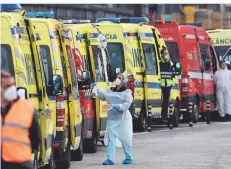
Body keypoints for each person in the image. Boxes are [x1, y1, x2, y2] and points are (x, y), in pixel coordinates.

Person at [1, 70, 41, 169]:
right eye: (7, 86)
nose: (11, 89)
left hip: (21, 163)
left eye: (12, 86)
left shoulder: (27, 107)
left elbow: (35, 137)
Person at [92, 73, 133, 165]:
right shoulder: (111, 90)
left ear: (124, 81)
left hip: (123, 119)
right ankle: (110, 159)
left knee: (125, 139)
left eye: (120, 78)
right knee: (111, 138)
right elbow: (103, 96)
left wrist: (119, 106)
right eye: (117, 77)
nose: (117, 79)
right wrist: (96, 90)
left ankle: (129, 157)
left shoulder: (126, 92)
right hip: (112, 118)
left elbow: (128, 104)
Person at [159, 47, 175, 123]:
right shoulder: (159, 64)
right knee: (163, 101)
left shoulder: (170, 63)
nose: (166, 55)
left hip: (168, 85)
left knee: (166, 101)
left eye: (167, 53)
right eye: (165, 53)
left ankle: (164, 116)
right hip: (160, 85)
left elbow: (173, 74)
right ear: (161, 54)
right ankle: (163, 116)